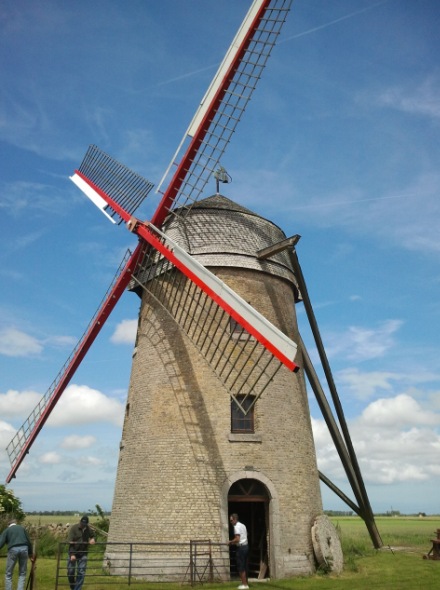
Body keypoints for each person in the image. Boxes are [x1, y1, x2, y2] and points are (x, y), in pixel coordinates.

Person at [0, 518, 34, 590]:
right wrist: (31, 554)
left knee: (8, 574)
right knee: (22, 573)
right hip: (24, 548)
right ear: (15, 523)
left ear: (8, 525)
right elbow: (29, 541)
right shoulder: (22, 528)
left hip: (13, 549)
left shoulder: (7, 530)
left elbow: (0, 543)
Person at [67, 515, 95, 590]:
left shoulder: (88, 529)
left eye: (84, 524)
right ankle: (73, 587)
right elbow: (70, 542)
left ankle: (77, 589)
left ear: (87, 524)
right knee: (71, 571)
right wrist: (72, 554)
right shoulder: (74, 528)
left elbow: (92, 535)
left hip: (83, 553)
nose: (82, 525)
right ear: (80, 522)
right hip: (73, 552)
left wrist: (92, 539)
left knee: (81, 572)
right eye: (82, 524)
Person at [229, 513, 249, 589]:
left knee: (241, 566)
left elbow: (237, 539)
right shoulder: (243, 525)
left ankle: (244, 585)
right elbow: (246, 535)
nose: (231, 522)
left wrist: (230, 542)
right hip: (246, 546)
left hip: (241, 548)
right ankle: (245, 583)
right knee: (244, 565)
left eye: (231, 520)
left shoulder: (236, 527)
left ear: (235, 519)